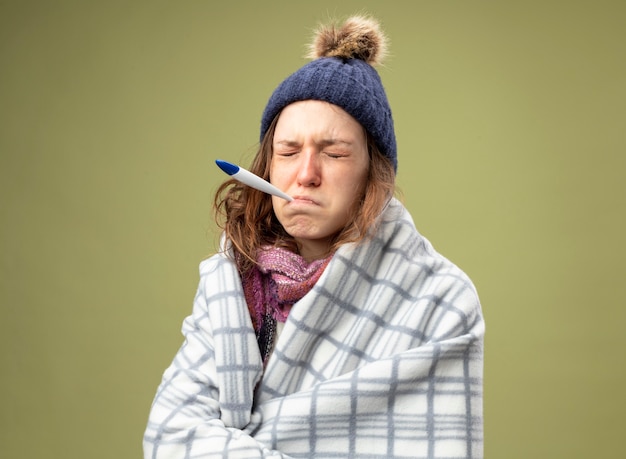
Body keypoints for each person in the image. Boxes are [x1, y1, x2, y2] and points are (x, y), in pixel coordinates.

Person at [143, 14, 484, 459]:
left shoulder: (441, 301)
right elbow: (170, 435)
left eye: (334, 153)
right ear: (267, 166)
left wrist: (236, 440)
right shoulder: (231, 282)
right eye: (287, 152)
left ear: (372, 173)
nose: (305, 175)